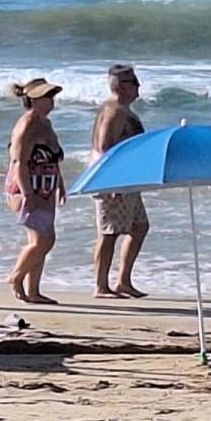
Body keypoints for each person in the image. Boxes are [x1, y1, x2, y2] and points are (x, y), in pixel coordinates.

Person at [91, 64, 150, 298]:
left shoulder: (122, 110)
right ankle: (100, 285)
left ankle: (123, 281)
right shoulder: (113, 111)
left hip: (127, 180)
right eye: (134, 82)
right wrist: (111, 181)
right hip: (113, 181)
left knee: (139, 226)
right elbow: (104, 147)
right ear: (122, 86)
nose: (139, 86)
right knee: (109, 232)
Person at [5, 78, 66, 305]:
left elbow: (52, 158)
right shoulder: (27, 124)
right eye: (47, 97)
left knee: (39, 238)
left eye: (52, 97)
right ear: (34, 100)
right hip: (28, 187)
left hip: (46, 186)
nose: (52, 101)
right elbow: (19, 162)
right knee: (44, 239)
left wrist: (60, 184)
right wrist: (28, 194)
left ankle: (33, 290)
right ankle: (15, 277)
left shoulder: (45, 123)